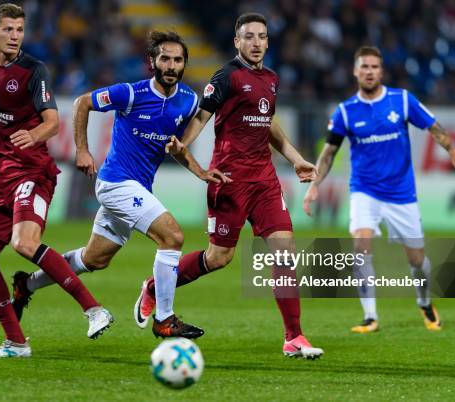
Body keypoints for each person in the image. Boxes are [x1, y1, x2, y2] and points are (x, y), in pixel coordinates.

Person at [11, 31, 228, 338]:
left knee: (93, 259)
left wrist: (200, 171)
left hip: (138, 190)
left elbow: (176, 147)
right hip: (116, 184)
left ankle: (26, 284)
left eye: (178, 60)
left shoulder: (187, 102)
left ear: (184, 65)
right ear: (151, 62)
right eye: (164, 58)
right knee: (173, 237)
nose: (171, 65)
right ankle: (164, 319)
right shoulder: (130, 93)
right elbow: (82, 103)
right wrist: (83, 150)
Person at [134, 13, 324, 359]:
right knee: (218, 257)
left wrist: (295, 158)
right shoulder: (227, 76)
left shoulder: (271, 79)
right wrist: (183, 144)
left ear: (268, 41)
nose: (255, 43)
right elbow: (203, 114)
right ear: (237, 42)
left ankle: (294, 336)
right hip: (229, 180)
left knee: (284, 252)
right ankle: (154, 286)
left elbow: (268, 124)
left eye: (261, 36)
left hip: (265, 181)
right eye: (248, 37)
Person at [0, 3, 112, 358]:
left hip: (33, 174)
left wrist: (33, 136)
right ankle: (16, 343)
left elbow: (52, 120)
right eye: (8, 29)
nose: (15, 36)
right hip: (1, 180)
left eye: (19, 30)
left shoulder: (34, 70)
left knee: (24, 242)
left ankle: (94, 309)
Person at [303, 46, 455, 333]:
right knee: (360, 246)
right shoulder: (345, 111)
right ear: (356, 72)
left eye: (374, 67)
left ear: (381, 71)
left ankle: (424, 302)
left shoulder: (402, 101)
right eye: (364, 67)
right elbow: (329, 153)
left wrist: (453, 150)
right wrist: (314, 185)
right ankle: (370, 317)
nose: (369, 71)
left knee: (417, 260)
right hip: (364, 190)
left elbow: (433, 127)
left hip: (402, 193)